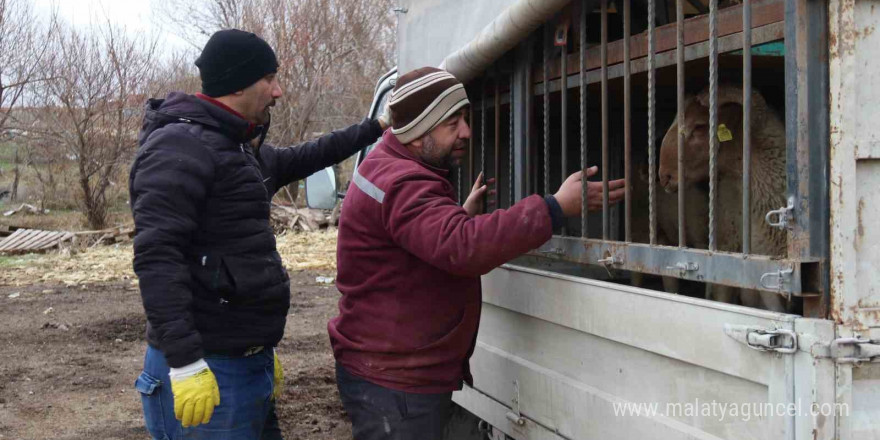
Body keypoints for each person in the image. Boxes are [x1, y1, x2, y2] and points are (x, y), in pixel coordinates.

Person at [328, 66, 625, 439]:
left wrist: (454, 216)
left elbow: (418, 240)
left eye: (465, 119)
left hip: (391, 367)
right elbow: (464, 247)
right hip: (395, 382)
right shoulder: (402, 181)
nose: (466, 131)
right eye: (453, 122)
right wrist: (554, 208)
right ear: (420, 130)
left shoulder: (390, 163)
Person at [130, 29, 388, 440]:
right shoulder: (180, 147)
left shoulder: (234, 148)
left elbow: (310, 155)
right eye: (269, 79)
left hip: (246, 363)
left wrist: (378, 126)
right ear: (238, 83)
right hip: (208, 371)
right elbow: (157, 258)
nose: (278, 91)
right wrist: (185, 363)